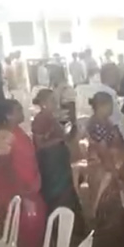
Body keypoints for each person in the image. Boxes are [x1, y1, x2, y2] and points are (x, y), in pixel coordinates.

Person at [86, 91, 124, 247]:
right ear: (102, 105)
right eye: (110, 104)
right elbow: (103, 151)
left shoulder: (105, 122)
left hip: (115, 166)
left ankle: (121, 241)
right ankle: (112, 243)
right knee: (109, 203)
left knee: (123, 202)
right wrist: (113, 171)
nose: (112, 108)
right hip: (106, 169)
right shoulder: (97, 125)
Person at [0, 99, 46, 247]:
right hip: (17, 188)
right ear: (8, 115)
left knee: (34, 223)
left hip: (28, 185)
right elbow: (4, 165)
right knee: (22, 224)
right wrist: (19, 190)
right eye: (18, 110)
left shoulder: (17, 131)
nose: (23, 113)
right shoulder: (5, 135)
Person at [31, 89, 85, 230]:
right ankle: (59, 227)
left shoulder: (52, 118)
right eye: (52, 101)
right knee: (58, 195)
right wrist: (59, 141)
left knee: (66, 192)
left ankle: (71, 227)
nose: (55, 104)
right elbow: (39, 145)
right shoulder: (40, 119)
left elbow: (63, 137)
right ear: (43, 103)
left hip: (59, 161)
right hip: (51, 163)